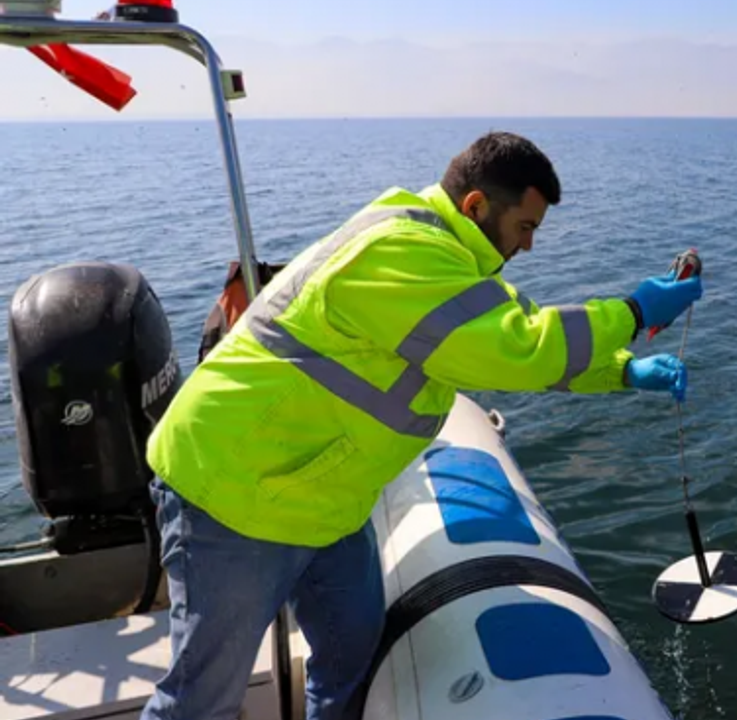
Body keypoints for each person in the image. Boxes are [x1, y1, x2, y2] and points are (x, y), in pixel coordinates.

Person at [140, 130, 703, 720]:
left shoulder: (447, 257)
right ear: (476, 207)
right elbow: (515, 349)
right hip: (236, 490)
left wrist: (623, 371)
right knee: (200, 700)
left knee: (349, 652)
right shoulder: (400, 252)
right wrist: (634, 314)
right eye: (526, 228)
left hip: (324, 498)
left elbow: (497, 336)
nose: (530, 246)